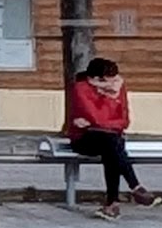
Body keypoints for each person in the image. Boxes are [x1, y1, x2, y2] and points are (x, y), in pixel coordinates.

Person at [64, 55, 150, 213]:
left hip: (109, 138)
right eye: (108, 80)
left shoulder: (118, 88)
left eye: (115, 79)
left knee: (111, 147)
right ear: (95, 79)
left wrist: (101, 123)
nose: (114, 84)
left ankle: (113, 204)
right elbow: (95, 116)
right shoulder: (81, 88)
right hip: (84, 139)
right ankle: (134, 187)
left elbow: (124, 121)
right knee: (112, 143)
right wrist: (107, 101)